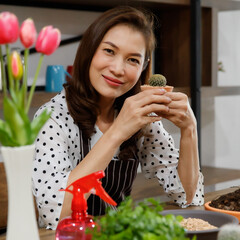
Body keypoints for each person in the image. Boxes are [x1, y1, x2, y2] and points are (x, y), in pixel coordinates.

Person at [32, 6, 204, 230]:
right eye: (109, 51)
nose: (117, 69)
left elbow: (188, 197)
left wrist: (189, 129)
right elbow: (55, 215)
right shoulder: (52, 118)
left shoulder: (141, 115)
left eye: (132, 60)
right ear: (89, 50)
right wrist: (117, 132)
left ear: (143, 68)